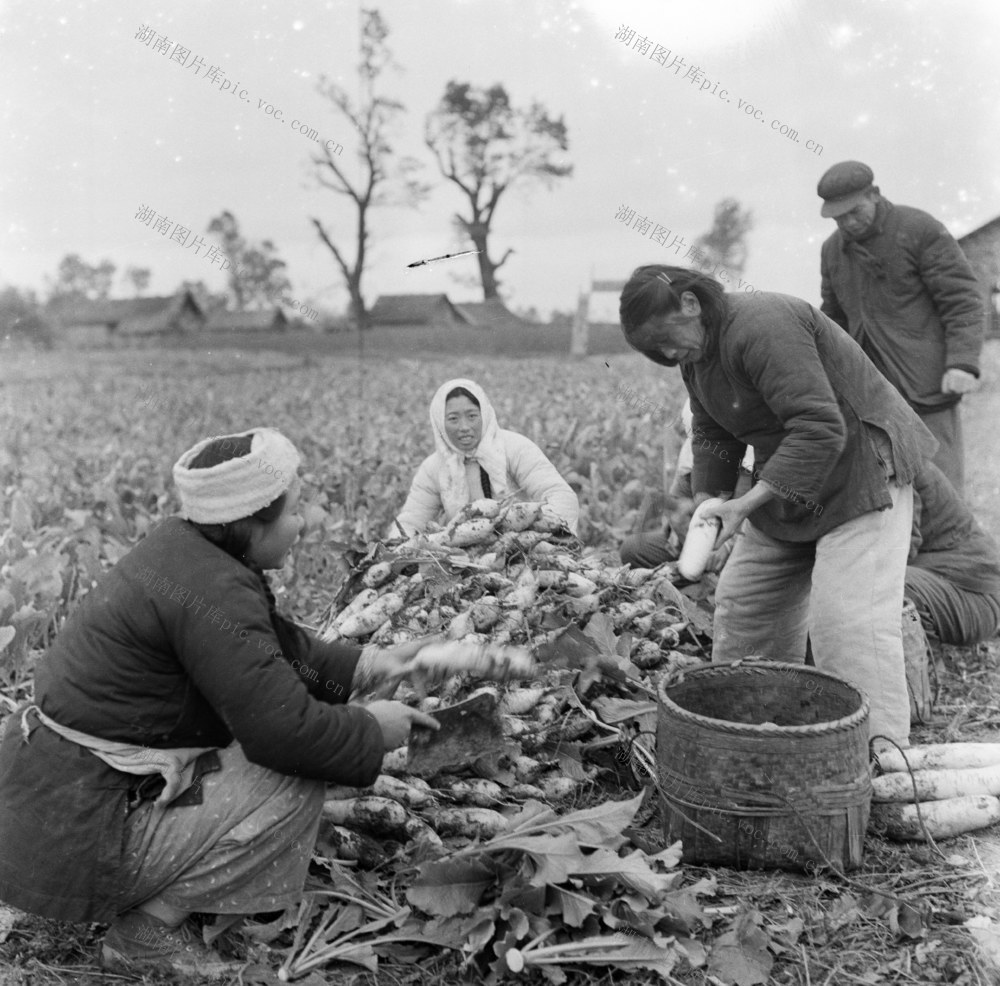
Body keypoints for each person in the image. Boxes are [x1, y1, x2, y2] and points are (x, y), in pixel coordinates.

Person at [0, 427, 449, 977]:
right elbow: (285, 735)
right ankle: (145, 933)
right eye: (294, 511)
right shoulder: (210, 584)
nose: (305, 523)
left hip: (53, 808)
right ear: (250, 522)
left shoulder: (187, 549)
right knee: (291, 773)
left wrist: (370, 664)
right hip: (77, 832)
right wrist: (371, 730)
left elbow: (269, 649)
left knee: (275, 732)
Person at [618, 264, 938, 748]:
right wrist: (707, 504)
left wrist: (747, 503)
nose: (667, 354)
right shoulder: (696, 354)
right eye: (655, 350)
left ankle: (875, 756)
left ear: (690, 303)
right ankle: (759, 739)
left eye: (665, 339)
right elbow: (711, 431)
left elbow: (818, 427)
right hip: (791, 485)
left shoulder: (763, 324)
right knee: (746, 608)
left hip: (861, 471)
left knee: (846, 625)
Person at [818, 160, 985, 492]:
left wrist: (962, 362)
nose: (847, 223)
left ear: (875, 194)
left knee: (941, 486)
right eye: (838, 217)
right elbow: (833, 318)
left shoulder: (919, 229)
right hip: (871, 391)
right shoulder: (832, 250)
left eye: (854, 212)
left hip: (925, 382)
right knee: (887, 489)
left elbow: (962, 299)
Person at [392, 378, 580, 536]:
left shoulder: (515, 448)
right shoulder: (434, 467)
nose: (464, 427)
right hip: (466, 557)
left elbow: (562, 497)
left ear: (485, 414)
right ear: (440, 423)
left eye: (472, 416)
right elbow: (411, 520)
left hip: (524, 547)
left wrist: (529, 528)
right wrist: (395, 547)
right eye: (453, 419)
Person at [620, 398, 752, 570]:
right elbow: (678, 496)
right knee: (633, 549)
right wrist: (675, 521)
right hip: (697, 538)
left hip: (735, 543)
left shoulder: (749, 457)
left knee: (738, 565)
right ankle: (688, 574)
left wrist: (728, 546)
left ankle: (704, 576)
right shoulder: (694, 448)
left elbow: (749, 517)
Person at [906, 461, 1000, 647]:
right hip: (945, 585)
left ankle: (922, 661)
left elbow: (897, 553)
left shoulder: (892, 464)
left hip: (974, 596)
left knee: (888, 588)